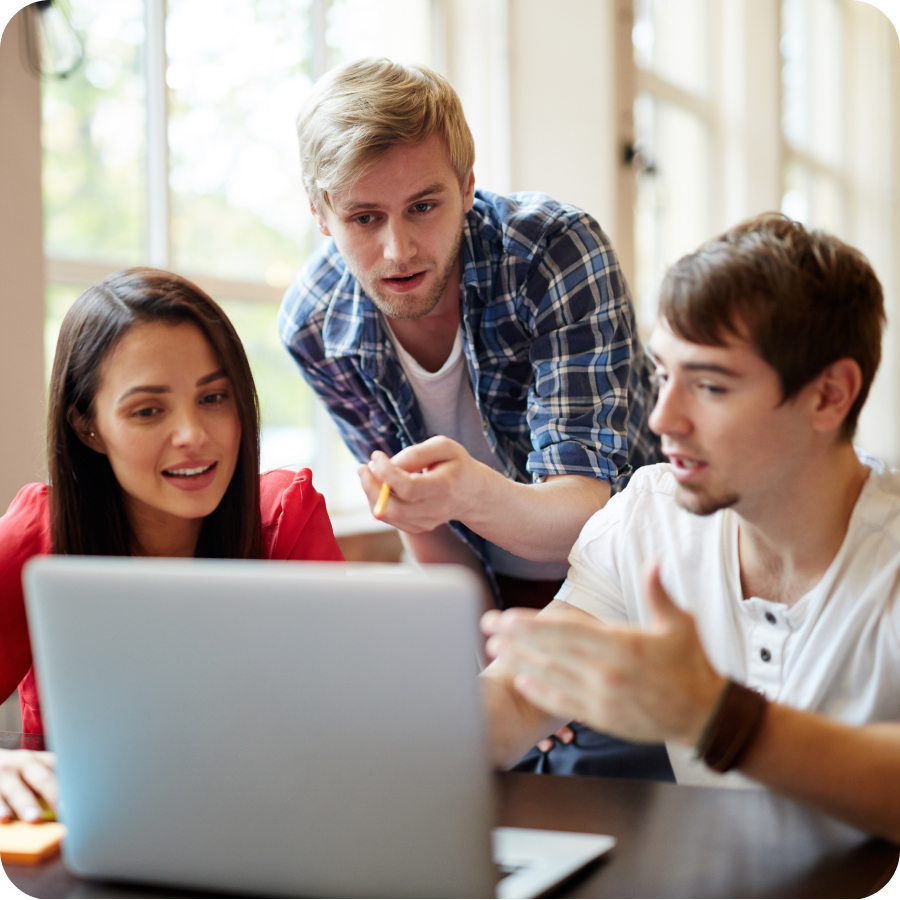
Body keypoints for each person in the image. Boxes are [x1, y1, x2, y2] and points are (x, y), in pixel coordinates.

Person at [279, 58, 665, 777]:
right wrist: (491, 678)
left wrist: (465, 495)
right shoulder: (316, 325)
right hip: (494, 609)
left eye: (424, 207)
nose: (397, 250)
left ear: (466, 185)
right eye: (364, 218)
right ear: (320, 213)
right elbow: (429, 535)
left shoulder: (553, 252)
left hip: (640, 598)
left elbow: (591, 516)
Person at [481, 213, 900, 841]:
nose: (662, 419)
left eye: (708, 385)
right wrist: (388, 750)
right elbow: (519, 699)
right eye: (663, 373)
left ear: (829, 395)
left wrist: (716, 717)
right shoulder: (648, 513)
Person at [0, 268, 343, 823]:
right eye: (148, 410)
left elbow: (343, 730)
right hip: (83, 845)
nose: (194, 435)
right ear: (88, 427)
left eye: (214, 397)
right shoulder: (39, 536)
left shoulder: (285, 519)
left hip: (265, 832)